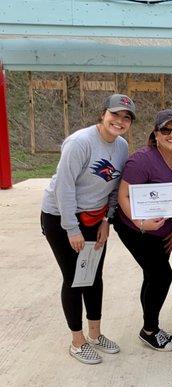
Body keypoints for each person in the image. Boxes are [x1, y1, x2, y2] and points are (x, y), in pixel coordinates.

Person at [40, 94, 135, 364]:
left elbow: (114, 188)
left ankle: (95, 334)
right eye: (115, 115)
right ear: (103, 113)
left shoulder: (121, 147)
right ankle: (77, 341)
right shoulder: (80, 142)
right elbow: (64, 187)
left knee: (93, 275)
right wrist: (71, 229)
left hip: (95, 218)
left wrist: (108, 220)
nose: (119, 121)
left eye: (126, 117)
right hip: (61, 216)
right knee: (74, 277)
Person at [113, 109, 172, 351]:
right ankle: (150, 330)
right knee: (161, 275)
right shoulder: (142, 159)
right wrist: (140, 224)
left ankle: (150, 326)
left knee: (153, 274)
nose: (171, 134)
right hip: (135, 228)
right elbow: (123, 196)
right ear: (155, 134)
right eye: (165, 130)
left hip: (164, 231)